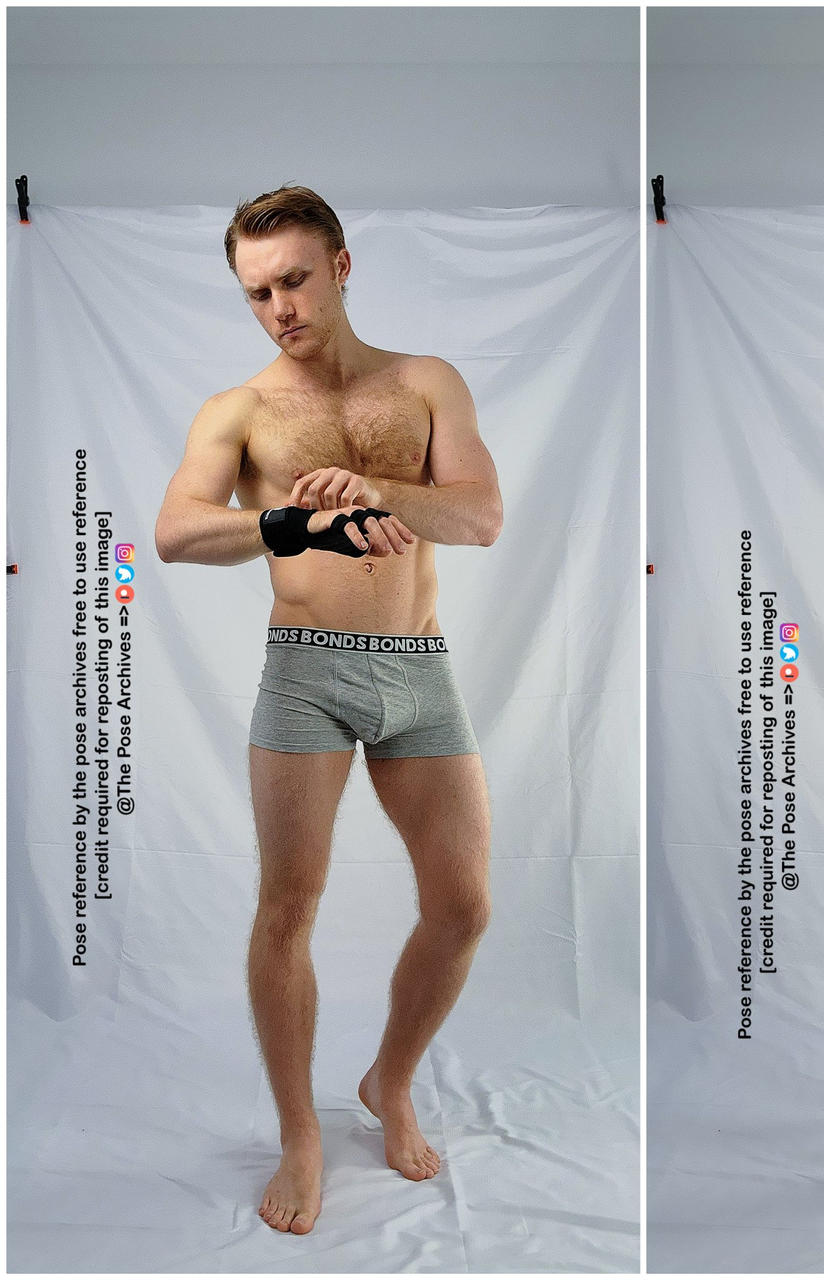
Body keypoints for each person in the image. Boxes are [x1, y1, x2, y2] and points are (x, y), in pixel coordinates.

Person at [155, 186, 502, 1234]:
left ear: (341, 266)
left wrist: (376, 489)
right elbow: (173, 532)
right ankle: (299, 1134)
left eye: (294, 279)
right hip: (304, 667)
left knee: (464, 903)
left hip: (417, 667)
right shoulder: (239, 409)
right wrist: (292, 524)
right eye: (257, 291)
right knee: (286, 907)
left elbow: (480, 513)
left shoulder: (424, 380)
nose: (279, 307)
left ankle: (387, 1082)